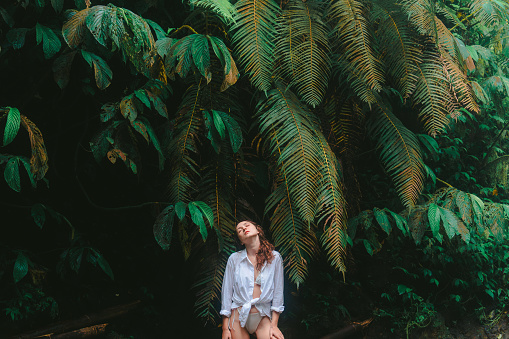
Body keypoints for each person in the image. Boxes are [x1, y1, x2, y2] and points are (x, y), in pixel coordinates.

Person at [220, 220, 285, 339]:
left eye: (247, 225)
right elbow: (227, 292)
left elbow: (278, 292)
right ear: (241, 240)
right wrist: (225, 328)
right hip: (238, 316)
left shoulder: (274, 258)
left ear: (258, 230)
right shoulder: (234, 259)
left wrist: (274, 325)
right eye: (240, 230)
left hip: (262, 315)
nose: (244, 228)